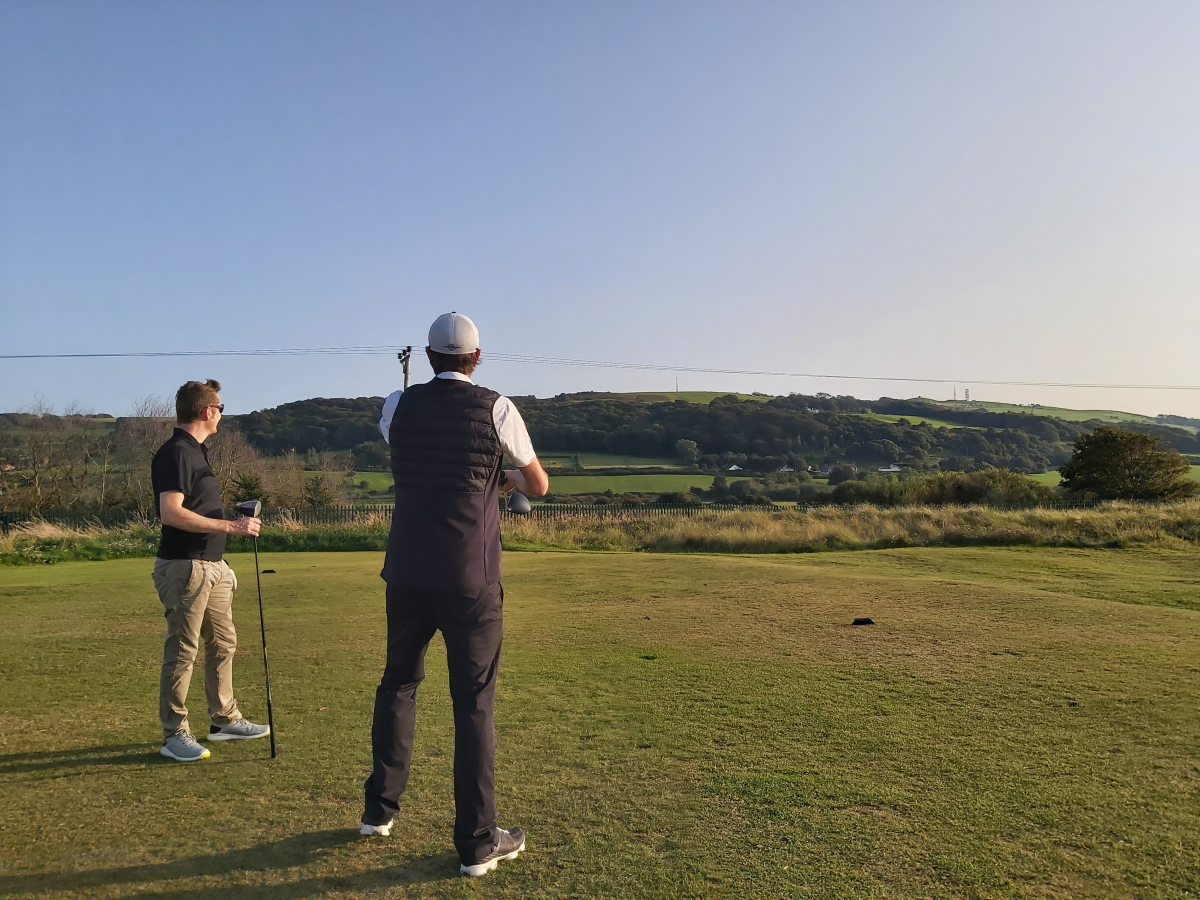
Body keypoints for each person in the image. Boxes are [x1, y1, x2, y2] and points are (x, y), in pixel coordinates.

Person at [361, 313, 549, 877]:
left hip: (407, 572)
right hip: (471, 578)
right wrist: (503, 479)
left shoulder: (398, 405)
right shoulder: (498, 408)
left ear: (429, 355)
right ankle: (477, 841)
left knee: (398, 684)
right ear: (477, 357)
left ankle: (378, 812)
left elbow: (417, 454)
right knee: (473, 704)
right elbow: (537, 484)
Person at [150, 379, 270, 762]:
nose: (220, 414)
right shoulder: (176, 453)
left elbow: (195, 507)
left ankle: (224, 719)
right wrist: (231, 526)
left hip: (212, 566)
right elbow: (171, 513)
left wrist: (225, 526)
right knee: (183, 650)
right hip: (186, 566)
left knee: (223, 643)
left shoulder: (196, 452)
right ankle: (175, 733)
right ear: (207, 411)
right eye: (220, 408)